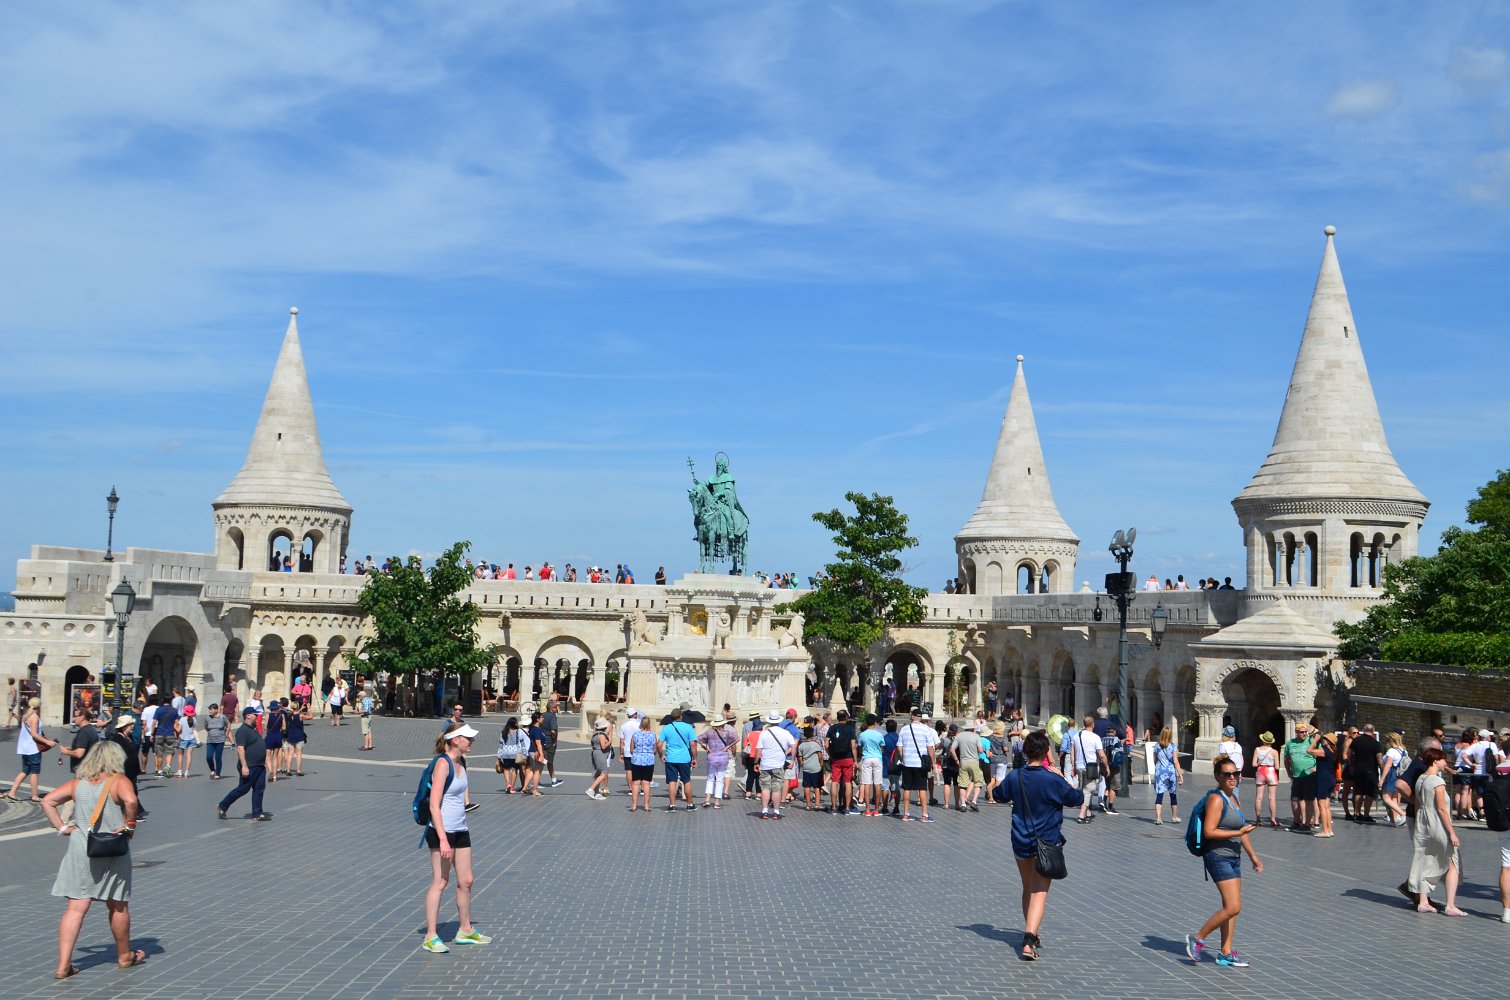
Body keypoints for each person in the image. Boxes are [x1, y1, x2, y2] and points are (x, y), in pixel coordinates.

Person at [40, 741, 145, 978]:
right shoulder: (119, 780)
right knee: (118, 904)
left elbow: (48, 801)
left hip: (81, 847)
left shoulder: (78, 783)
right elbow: (131, 801)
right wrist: (129, 826)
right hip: (113, 847)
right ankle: (124, 956)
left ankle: (63, 965)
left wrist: (62, 828)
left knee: (76, 906)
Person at [1003, 730, 1082, 961]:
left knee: (1027, 887)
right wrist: (1062, 777)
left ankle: (1032, 931)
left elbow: (999, 794)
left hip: (1020, 838)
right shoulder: (1052, 778)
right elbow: (1076, 799)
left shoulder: (1015, 776)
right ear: (1046, 752)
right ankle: (1029, 940)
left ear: (1025, 752)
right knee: (1040, 891)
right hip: (1046, 840)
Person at [1185, 755, 1263, 968]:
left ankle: (1225, 953)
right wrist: (1238, 832)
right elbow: (1209, 831)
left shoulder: (1233, 798)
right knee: (1233, 906)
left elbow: (1241, 830)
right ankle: (1197, 938)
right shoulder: (1216, 799)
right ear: (1217, 777)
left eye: (1235, 773)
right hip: (1218, 856)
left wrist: (1253, 856)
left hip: (1234, 857)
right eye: (1227, 774)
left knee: (1231, 907)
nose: (1232, 777)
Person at [420, 724, 492, 953]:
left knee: (467, 880)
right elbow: (434, 805)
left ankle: (465, 930)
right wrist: (442, 839)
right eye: (468, 738)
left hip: (460, 829)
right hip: (441, 831)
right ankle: (431, 936)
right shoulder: (443, 764)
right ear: (455, 740)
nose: (472, 742)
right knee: (441, 881)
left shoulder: (462, 762)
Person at [1406, 747, 1466, 915]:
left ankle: (1423, 902)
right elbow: (1441, 809)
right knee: (1452, 862)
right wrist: (1452, 832)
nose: (1445, 762)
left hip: (1422, 823)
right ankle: (1450, 905)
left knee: (1424, 860)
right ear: (1435, 761)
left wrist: (1418, 823)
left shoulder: (1420, 779)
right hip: (1437, 824)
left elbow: (1417, 804)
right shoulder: (1437, 781)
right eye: (1442, 759)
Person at [215, 707, 272, 822]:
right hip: (250, 765)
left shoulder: (253, 729)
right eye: (255, 714)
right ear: (248, 716)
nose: (257, 717)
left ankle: (257, 813)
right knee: (243, 788)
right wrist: (244, 766)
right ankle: (222, 805)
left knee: (259, 789)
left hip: (259, 765)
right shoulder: (243, 730)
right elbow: (240, 749)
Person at [893, 708, 938, 823]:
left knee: (907, 788)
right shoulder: (926, 729)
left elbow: (899, 747)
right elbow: (930, 748)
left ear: (912, 717)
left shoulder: (904, 729)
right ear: (921, 718)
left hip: (907, 763)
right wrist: (933, 762)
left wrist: (903, 758)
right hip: (920, 764)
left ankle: (906, 814)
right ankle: (924, 815)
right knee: (922, 788)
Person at [6, 697, 55, 801]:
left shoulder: (26, 716)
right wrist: (48, 742)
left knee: (25, 770)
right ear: (39, 706)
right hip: (33, 748)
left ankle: (12, 792)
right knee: (35, 772)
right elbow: (34, 734)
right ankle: (34, 795)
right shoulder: (34, 717)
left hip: (25, 748)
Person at [754, 710, 797, 820]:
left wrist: (756, 762)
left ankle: (764, 811)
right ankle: (776, 812)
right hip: (778, 765)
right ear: (779, 721)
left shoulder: (764, 733)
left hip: (765, 764)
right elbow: (793, 746)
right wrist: (792, 760)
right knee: (777, 789)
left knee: (765, 788)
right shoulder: (785, 733)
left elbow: (758, 750)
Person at [1068, 715, 1109, 824]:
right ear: (1092, 724)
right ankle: (1081, 815)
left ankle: (1088, 812)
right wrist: (1107, 766)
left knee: (1083, 789)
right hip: (1091, 767)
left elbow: (1072, 753)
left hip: (1079, 766)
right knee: (1088, 790)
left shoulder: (1076, 736)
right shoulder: (1095, 737)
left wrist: (1073, 767)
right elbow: (1101, 755)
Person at [657, 706, 698, 811]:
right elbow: (693, 744)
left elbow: (659, 744)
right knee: (686, 781)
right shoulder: (688, 727)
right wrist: (695, 758)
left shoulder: (666, 728)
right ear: (681, 716)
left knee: (672, 781)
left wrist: (661, 755)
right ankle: (690, 804)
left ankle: (672, 805)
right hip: (685, 758)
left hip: (671, 758)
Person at [1284, 723, 1318, 831]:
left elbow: (1321, 754)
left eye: (1305, 732)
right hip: (1296, 776)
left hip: (1309, 775)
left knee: (1309, 800)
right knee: (1295, 799)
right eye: (1301, 732)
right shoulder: (1290, 743)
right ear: (1296, 732)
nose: (1304, 734)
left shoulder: (1311, 742)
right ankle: (1296, 821)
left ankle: (1307, 824)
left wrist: (1317, 767)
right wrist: (1288, 772)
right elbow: (1286, 759)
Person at [698, 716, 736, 809]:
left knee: (710, 779)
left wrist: (707, 747)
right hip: (723, 758)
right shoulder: (727, 733)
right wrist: (728, 747)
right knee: (720, 779)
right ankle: (717, 802)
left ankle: (707, 800)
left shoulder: (709, 732)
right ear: (723, 724)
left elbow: (698, 739)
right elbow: (737, 739)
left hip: (712, 757)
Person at [825, 709, 858, 815]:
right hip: (847, 758)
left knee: (834, 782)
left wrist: (830, 755)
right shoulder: (850, 729)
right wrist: (855, 760)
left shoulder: (832, 728)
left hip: (836, 759)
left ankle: (834, 807)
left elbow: (826, 744)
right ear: (846, 718)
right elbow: (853, 746)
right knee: (848, 782)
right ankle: (847, 808)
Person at [1349, 723, 1382, 823]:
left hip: (1358, 769)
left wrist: (1351, 764)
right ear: (1373, 731)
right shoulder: (1376, 744)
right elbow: (1379, 759)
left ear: (1363, 730)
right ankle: (1366, 815)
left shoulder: (1356, 740)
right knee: (1369, 793)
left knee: (1358, 792)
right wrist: (1383, 769)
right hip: (1371, 771)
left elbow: (1349, 753)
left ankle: (1356, 813)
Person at [1152, 728, 1184, 824]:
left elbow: (1155, 760)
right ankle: (1174, 817)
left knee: (1159, 794)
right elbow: (1175, 762)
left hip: (1159, 771)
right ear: (1170, 735)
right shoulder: (1173, 747)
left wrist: (1159, 767)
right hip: (1170, 772)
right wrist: (1180, 775)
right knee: (1172, 794)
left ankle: (1158, 818)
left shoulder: (1157, 746)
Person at [953, 722, 986, 812]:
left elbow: (952, 749)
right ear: (973, 728)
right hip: (974, 761)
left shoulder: (959, 736)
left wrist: (956, 760)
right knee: (978, 782)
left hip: (963, 761)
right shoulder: (976, 736)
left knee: (962, 784)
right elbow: (980, 750)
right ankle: (974, 801)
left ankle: (963, 804)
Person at [628, 716, 658, 813]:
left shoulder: (635, 734)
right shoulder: (653, 735)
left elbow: (631, 749)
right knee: (646, 783)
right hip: (649, 760)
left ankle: (634, 805)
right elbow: (655, 749)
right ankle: (646, 805)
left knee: (636, 783)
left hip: (637, 760)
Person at [60, 707, 101, 775]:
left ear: (82, 717)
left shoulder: (84, 732)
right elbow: (87, 749)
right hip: (90, 768)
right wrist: (72, 749)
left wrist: (66, 751)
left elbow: (79, 754)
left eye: (76, 716)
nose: (73, 719)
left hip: (83, 770)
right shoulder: (91, 729)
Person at [1312, 731, 1338, 837]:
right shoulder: (1331, 752)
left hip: (1323, 780)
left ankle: (1325, 831)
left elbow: (1309, 751)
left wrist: (1315, 740)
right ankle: (1329, 830)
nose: (1323, 740)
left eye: (1325, 739)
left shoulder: (1325, 751)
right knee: (1327, 807)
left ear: (1329, 742)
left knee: (1322, 806)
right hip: (1329, 779)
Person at [1380, 731, 1409, 827]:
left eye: (1388, 739)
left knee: (1386, 798)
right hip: (1399, 776)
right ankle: (1394, 819)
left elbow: (1388, 765)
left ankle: (1403, 814)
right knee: (1395, 798)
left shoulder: (1391, 751)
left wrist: (1382, 779)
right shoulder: (1404, 750)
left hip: (1391, 775)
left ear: (1391, 740)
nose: (1387, 741)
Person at [1252, 732, 1280, 827]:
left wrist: (1260, 763)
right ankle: (1273, 819)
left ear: (1263, 740)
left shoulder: (1257, 750)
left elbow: (1254, 764)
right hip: (1270, 771)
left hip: (1261, 771)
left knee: (1259, 797)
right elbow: (1277, 767)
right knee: (1272, 798)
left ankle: (1258, 819)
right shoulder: (1274, 752)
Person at [496, 717, 528, 794]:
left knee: (506, 769)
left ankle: (508, 784)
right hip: (515, 753)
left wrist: (499, 755)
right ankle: (512, 787)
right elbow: (522, 743)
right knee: (514, 770)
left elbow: (501, 744)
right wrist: (524, 753)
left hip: (506, 753)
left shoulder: (504, 732)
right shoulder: (518, 731)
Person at [586, 718, 613, 800]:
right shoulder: (601, 735)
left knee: (598, 773)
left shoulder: (595, 734)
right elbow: (603, 746)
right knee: (604, 773)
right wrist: (609, 741)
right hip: (600, 754)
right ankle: (591, 789)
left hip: (595, 753)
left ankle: (597, 793)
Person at [522, 711, 547, 796]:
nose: (543, 718)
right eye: (541, 717)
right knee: (537, 771)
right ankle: (535, 790)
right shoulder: (536, 730)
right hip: (537, 752)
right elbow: (538, 742)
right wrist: (542, 754)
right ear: (537, 719)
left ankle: (525, 787)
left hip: (532, 751)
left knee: (533, 770)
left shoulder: (533, 728)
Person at [619, 708, 642, 795]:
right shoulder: (639, 724)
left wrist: (621, 753)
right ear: (634, 714)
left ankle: (630, 788)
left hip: (627, 750)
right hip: (638, 750)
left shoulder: (624, 725)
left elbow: (621, 741)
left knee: (629, 769)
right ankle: (639, 787)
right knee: (639, 769)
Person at [204, 703, 229, 779]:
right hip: (210, 741)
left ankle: (217, 773)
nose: (210, 711)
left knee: (218, 757)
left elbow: (228, 724)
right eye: (209, 710)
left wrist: (226, 734)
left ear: (216, 710)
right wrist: (211, 732)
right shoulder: (207, 718)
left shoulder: (222, 717)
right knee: (209, 757)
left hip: (220, 741)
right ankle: (212, 770)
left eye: (211, 710)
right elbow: (206, 727)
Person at [284, 698, 308, 775]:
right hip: (299, 736)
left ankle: (288, 770)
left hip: (291, 736)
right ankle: (298, 771)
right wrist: (309, 708)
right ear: (298, 707)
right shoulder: (300, 716)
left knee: (290, 754)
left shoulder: (289, 715)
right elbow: (311, 717)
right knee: (299, 754)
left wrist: (300, 709)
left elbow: (294, 712)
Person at [173, 705, 198, 778]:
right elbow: (193, 729)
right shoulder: (194, 719)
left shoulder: (182, 719)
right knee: (189, 756)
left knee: (180, 755)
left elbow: (178, 730)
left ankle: (180, 771)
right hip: (191, 739)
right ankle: (187, 771)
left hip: (183, 738)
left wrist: (174, 725)